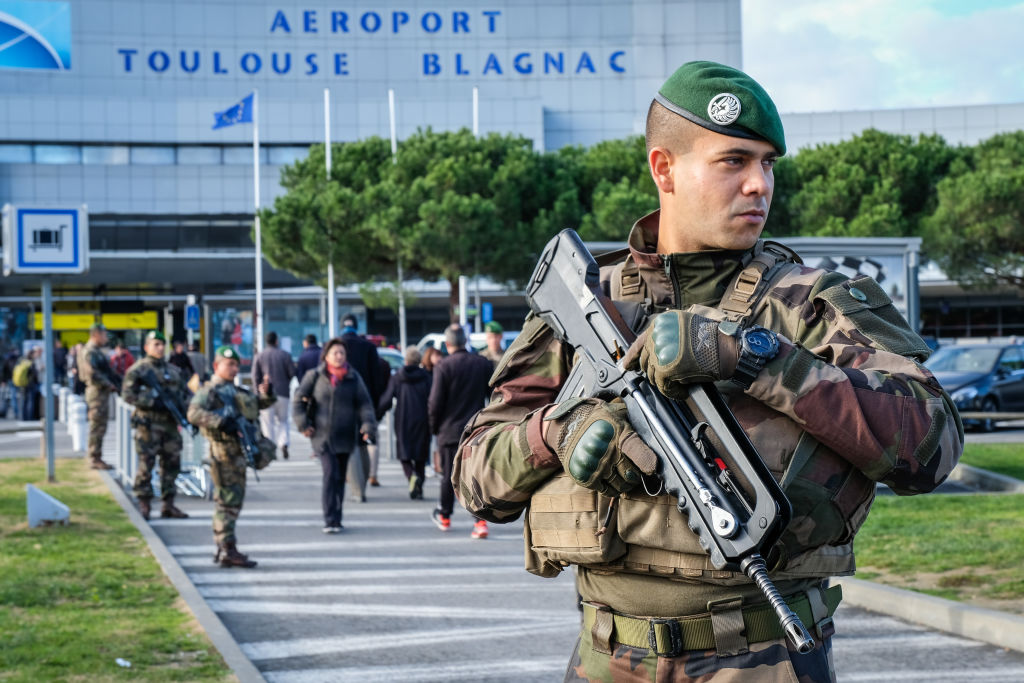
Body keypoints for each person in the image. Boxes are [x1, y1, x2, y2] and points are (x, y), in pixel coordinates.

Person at [453, 61, 964, 682]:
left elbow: (931, 443)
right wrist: (560, 433)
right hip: (605, 658)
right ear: (663, 169)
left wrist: (752, 356)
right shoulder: (588, 303)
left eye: (767, 163)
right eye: (733, 161)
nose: (759, 185)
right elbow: (474, 477)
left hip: (762, 661)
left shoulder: (810, 303)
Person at [187, 346, 276, 568]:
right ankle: (226, 548)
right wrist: (220, 421)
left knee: (233, 502)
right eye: (229, 365)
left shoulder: (236, 391)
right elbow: (194, 413)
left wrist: (266, 393)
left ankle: (226, 547)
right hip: (223, 455)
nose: (234, 369)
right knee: (227, 503)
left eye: (236, 365)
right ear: (217, 366)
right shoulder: (210, 391)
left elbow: (256, 404)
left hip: (238, 455)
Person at [292, 337, 377, 533]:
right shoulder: (314, 376)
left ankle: (337, 517)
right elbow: (298, 401)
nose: (339, 356)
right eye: (335, 353)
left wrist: (367, 426)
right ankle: (329, 519)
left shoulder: (353, 377)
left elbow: (365, 405)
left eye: (342, 353)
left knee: (340, 478)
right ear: (326, 356)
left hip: (346, 436)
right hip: (322, 436)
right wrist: (303, 423)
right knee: (330, 474)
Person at [428, 324, 495, 539]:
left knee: (449, 475)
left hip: (449, 431)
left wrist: (434, 427)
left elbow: (435, 403)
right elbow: (493, 396)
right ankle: (481, 521)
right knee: (475, 476)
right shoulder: (482, 363)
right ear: (465, 342)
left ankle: (445, 516)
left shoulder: (443, 367)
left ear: (448, 345)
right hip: (476, 429)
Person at [120, 330, 190, 520]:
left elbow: (186, 395)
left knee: (171, 465)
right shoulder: (139, 370)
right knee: (146, 465)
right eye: (155, 344)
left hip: (169, 425)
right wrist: (151, 401)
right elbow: (127, 394)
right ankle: (144, 504)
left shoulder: (173, 371)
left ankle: (168, 505)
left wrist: (187, 412)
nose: (159, 348)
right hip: (148, 426)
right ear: (147, 347)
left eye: (162, 345)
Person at [339, 314, 387, 500]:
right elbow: (377, 380)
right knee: (365, 444)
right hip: (365, 404)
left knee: (349, 445)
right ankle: (364, 481)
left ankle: (355, 487)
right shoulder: (368, 347)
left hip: (342, 404)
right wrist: (375, 407)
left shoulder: (335, 346)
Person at [377, 346, 432, 499]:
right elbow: (434, 399)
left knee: (404, 454)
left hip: (403, 420)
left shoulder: (398, 378)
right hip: (423, 420)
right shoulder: (427, 377)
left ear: (406, 360)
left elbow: (387, 400)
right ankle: (419, 486)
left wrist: (376, 414)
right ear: (419, 361)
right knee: (420, 456)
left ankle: (411, 477)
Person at [77, 323, 121, 469]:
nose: (106, 337)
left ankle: (96, 456)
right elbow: (92, 373)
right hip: (97, 391)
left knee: (101, 425)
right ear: (95, 335)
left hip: (101, 391)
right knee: (97, 425)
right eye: (103, 334)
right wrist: (109, 384)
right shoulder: (90, 351)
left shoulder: (97, 351)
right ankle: (94, 457)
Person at [252, 331, 296, 460]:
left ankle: (271, 448)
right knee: (283, 421)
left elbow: (255, 376)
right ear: (276, 340)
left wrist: (257, 392)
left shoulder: (260, 356)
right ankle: (284, 443)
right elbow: (292, 372)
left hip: (265, 395)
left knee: (267, 423)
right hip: (283, 393)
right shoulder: (285, 355)